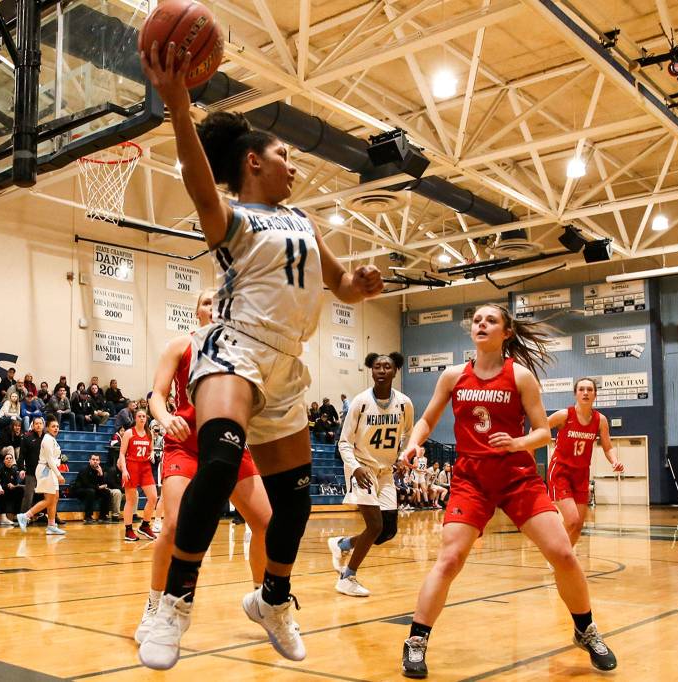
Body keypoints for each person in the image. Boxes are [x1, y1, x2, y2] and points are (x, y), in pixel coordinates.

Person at [136, 44, 383, 670]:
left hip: (287, 367)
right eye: (284, 156)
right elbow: (196, 175)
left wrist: (363, 284)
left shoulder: (303, 220)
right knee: (217, 463)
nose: (293, 166)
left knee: (294, 501)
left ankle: (273, 598)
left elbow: (341, 285)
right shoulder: (232, 219)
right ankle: (174, 602)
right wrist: (178, 108)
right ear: (252, 162)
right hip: (235, 349)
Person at [397, 304, 616, 676]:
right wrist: (414, 443)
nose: (482, 324)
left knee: (563, 553)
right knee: (450, 558)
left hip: (517, 477)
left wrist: (517, 444)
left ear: (506, 332)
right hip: (471, 480)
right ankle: (416, 641)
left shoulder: (520, 377)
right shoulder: (453, 376)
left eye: (491, 320)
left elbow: (543, 432)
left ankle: (585, 628)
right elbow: (428, 418)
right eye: (477, 320)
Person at [136, 288, 272, 646]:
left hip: (229, 445)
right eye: (208, 302)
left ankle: (263, 600)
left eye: (221, 302)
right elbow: (157, 395)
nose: (215, 307)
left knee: (266, 523)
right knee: (176, 525)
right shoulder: (181, 345)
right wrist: (165, 419)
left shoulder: (241, 350)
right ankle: (155, 605)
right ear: (197, 311)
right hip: (187, 443)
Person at [328, 351, 413, 597]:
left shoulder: (405, 403)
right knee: (374, 525)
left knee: (387, 531)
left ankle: (343, 544)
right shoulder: (361, 401)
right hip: (362, 468)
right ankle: (347, 577)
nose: (382, 370)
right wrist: (355, 467)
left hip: (385, 470)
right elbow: (344, 442)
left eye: (387, 366)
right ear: (371, 370)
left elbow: (408, 433)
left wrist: (402, 456)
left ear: (395, 370)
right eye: (377, 367)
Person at [548, 378, 624, 547]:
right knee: (572, 519)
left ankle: (562, 556)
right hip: (561, 470)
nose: (585, 392)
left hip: (581, 473)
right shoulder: (564, 415)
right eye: (581, 389)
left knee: (578, 525)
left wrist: (615, 461)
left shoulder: (600, 420)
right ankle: (557, 553)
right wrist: (529, 454)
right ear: (575, 394)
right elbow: (538, 429)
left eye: (589, 389)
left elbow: (608, 447)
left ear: (595, 395)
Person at [17, 415, 66, 535]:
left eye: (57, 426)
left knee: (55, 497)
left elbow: (54, 458)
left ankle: (51, 525)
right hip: (45, 470)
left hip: (50, 470)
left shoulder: (51, 439)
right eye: (53, 426)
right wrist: (59, 475)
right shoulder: (47, 439)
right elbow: (49, 459)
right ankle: (25, 516)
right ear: (47, 428)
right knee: (49, 499)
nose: (56, 428)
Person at [118, 408, 159, 542]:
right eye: (139, 416)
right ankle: (128, 530)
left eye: (144, 416)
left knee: (153, 498)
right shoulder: (129, 433)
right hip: (132, 466)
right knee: (131, 500)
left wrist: (152, 454)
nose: (142, 418)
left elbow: (151, 449)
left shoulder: (149, 434)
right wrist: (124, 470)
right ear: (135, 418)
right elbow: (122, 454)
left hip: (145, 467)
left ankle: (145, 525)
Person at [71, 453, 110, 523]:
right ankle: (88, 516)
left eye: (97, 460)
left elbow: (104, 484)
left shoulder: (100, 470)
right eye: (93, 459)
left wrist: (101, 475)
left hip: (93, 490)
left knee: (106, 492)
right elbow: (86, 484)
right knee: (91, 491)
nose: (95, 461)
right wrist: (98, 487)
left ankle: (103, 516)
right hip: (80, 490)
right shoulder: (84, 470)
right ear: (89, 461)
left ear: (99, 461)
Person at [18, 417, 44, 513]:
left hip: (44, 472)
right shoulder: (27, 437)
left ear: (43, 425)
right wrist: (21, 469)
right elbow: (21, 455)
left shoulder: (47, 438)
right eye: (36, 423)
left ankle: (49, 516)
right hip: (31, 471)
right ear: (32, 425)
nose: (38, 425)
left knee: (48, 495)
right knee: (28, 496)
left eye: (40, 423)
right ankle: (23, 517)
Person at [0, 451, 22, 525]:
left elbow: (16, 483)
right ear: (4, 461)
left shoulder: (14, 470)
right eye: (7, 458)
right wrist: (7, 485)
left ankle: (16, 515)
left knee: (20, 490)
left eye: (10, 458)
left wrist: (14, 486)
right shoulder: (1, 470)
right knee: (2, 491)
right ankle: (3, 517)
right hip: (4, 490)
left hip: (12, 490)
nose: (9, 459)